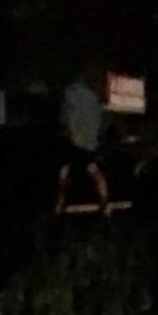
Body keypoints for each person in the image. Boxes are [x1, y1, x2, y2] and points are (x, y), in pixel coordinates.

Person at [55, 64, 109, 215]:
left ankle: (59, 207)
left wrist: (66, 132)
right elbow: (100, 120)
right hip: (89, 142)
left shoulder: (69, 92)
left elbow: (65, 118)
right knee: (94, 172)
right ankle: (104, 207)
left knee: (66, 171)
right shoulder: (92, 96)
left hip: (73, 140)